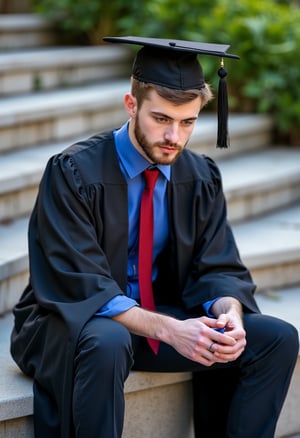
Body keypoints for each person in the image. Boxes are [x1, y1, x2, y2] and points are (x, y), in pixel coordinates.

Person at [11, 36, 298, 438]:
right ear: (132, 106)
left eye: (188, 122)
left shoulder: (199, 177)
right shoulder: (73, 173)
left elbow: (217, 264)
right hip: (66, 325)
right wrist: (169, 329)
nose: (174, 137)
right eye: (161, 119)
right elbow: (78, 282)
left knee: (277, 338)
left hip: (154, 319)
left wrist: (229, 313)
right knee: (108, 340)